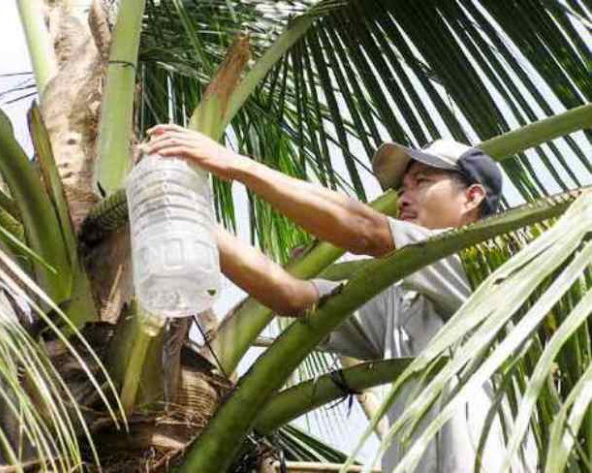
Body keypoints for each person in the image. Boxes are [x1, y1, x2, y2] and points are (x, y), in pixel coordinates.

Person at [140, 125, 531, 472]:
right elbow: (293, 297)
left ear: (472, 196)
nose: (403, 198)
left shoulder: (487, 264)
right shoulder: (405, 297)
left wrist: (231, 163)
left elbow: (364, 230)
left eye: (422, 181)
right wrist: (184, 209)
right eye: (402, 189)